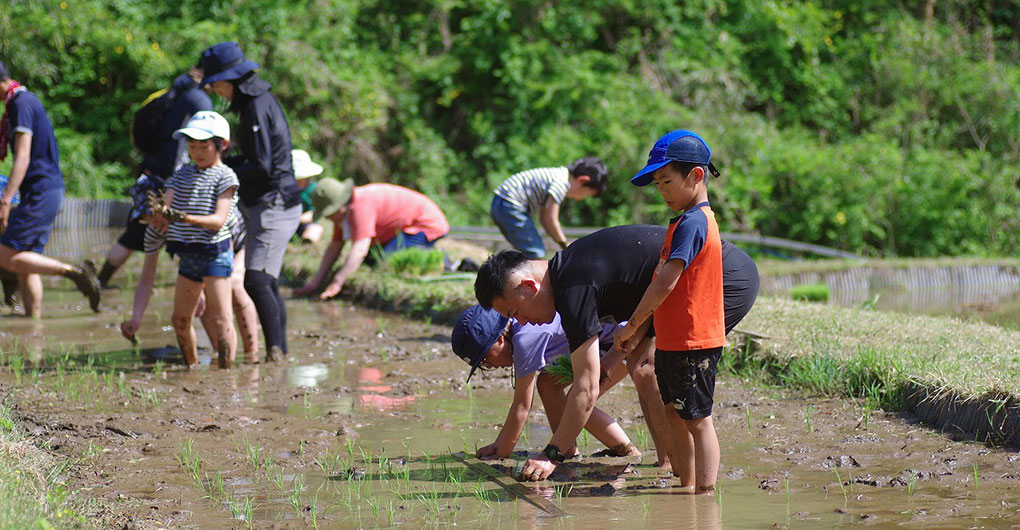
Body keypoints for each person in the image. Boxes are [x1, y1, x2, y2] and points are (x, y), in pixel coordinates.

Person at [473, 224, 757, 482]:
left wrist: (552, 455)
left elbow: (585, 390)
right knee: (642, 364)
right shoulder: (567, 276)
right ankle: (676, 473)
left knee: (657, 373)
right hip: (682, 288)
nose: (521, 323)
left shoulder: (573, 290)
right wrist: (609, 362)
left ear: (527, 286)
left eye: (515, 313)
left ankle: (695, 489)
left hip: (721, 277)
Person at [615, 130, 726, 494]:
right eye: (657, 183)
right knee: (676, 415)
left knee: (698, 420)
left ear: (696, 176)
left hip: (694, 341)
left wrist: (632, 326)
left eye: (666, 180)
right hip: (674, 340)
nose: (661, 190)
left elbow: (665, 283)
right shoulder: (682, 222)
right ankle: (687, 486)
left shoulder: (694, 222)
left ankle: (704, 495)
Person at [201, 42, 302, 361]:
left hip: (275, 203)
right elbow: (258, 159)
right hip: (270, 202)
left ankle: (275, 353)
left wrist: (222, 171)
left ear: (232, 80)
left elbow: (263, 166)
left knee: (257, 279)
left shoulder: (257, 106)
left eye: (217, 84)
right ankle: (279, 350)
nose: (217, 90)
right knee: (265, 281)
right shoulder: (255, 104)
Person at [452, 305, 640, 460]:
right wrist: (498, 444)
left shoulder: (525, 340)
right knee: (548, 384)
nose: (490, 366)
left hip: (620, 343)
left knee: (579, 401)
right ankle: (567, 450)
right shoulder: (520, 329)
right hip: (595, 344)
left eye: (485, 359)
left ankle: (628, 452)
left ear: (500, 339)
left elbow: (522, 406)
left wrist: (501, 454)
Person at [0, 60, 100, 317]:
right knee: (26, 262)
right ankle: (34, 324)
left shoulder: (21, 104)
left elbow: (22, 157)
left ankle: (75, 272)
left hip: (41, 190)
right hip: (46, 190)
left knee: (5, 255)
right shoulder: (21, 102)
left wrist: (6, 200)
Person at [97, 65, 213, 287]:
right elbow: (202, 144)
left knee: (136, 232)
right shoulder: (200, 101)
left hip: (150, 173)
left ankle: (100, 281)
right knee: (184, 235)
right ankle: (198, 290)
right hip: (171, 180)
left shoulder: (174, 94)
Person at [147, 111, 239, 368]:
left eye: (204, 146)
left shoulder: (226, 177)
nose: (197, 152)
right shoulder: (181, 174)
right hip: (188, 254)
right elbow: (166, 210)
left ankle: (226, 374)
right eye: (192, 146)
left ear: (221, 145)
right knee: (179, 319)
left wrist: (183, 217)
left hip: (214, 254)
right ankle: (192, 368)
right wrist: (158, 215)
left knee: (221, 320)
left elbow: (218, 221)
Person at [120, 204, 260, 365]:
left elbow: (222, 249)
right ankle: (219, 353)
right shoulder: (155, 231)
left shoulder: (189, 215)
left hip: (235, 241)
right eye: (148, 222)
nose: (157, 226)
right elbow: (146, 279)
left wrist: (202, 286)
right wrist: (136, 318)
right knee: (199, 301)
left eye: (156, 219)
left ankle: (252, 355)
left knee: (233, 285)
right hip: (201, 253)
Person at [293, 178, 450, 299]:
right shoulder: (343, 214)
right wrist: (315, 282)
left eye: (327, 214)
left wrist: (337, 281)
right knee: (370, 260)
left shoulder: (359, 206)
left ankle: (441, 260)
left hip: (424, 224)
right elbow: (335, 246)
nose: (327, 219)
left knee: (385, 261)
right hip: (400, 230)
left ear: (338, 207)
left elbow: (360, 249)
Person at [491, 157, 608, 258]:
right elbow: (551, 219)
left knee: (529, 250)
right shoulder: (561, 183)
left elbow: (544, 219)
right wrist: (565, 244)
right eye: (586, 194)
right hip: (510, 204)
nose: (580, 199)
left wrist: (560, 243)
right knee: (536, 252)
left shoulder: (558, 175)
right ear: (582, 180)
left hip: (502, 203)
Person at [291, 149, 325, 244]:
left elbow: (314, 213)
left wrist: (297, 219)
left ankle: (307, 241)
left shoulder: (312, 189)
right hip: (284, 226)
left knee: (316, 229)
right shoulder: (282, 191)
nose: (306, 180)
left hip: (302, 224)